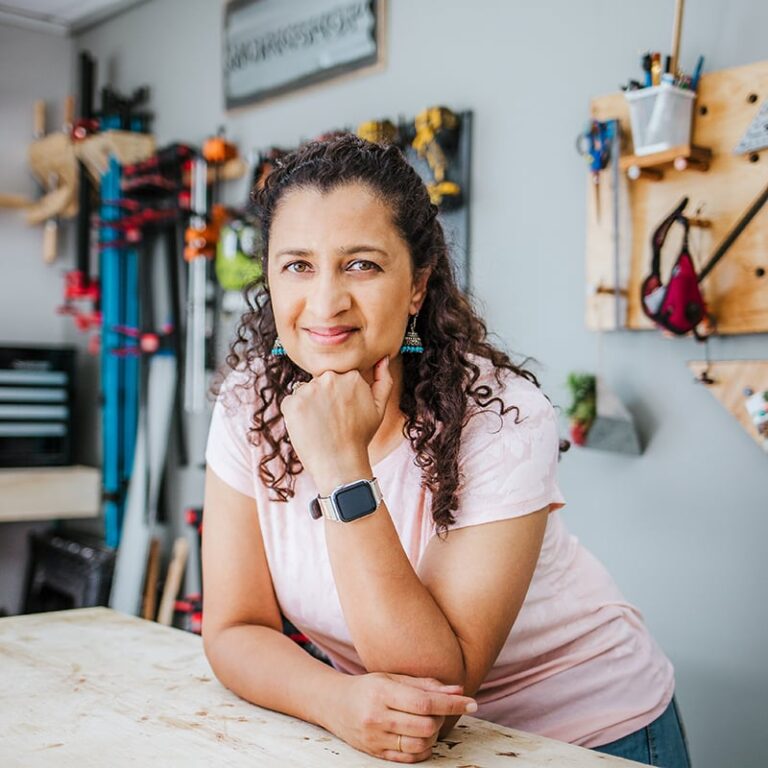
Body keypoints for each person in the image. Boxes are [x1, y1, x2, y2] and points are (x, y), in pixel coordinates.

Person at [202, 134, 691, 766]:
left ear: (417, 285)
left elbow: (436, 681)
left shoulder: (501, 418)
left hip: (587, 735)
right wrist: (333, 699)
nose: (325, 302)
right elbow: (235, 628)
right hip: (394, 736)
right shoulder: (248, 405)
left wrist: (340, 465)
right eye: (297, 265)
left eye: (362, 264)